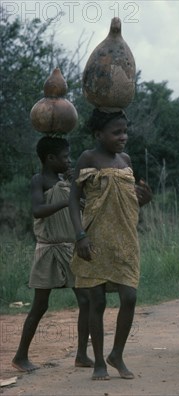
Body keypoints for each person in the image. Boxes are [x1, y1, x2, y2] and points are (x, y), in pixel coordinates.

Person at [69, 109, 152, 380]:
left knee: (130, 296)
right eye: (117, 132)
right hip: (94, 239)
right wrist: (80, 235)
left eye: (125, 131)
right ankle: (98, 364)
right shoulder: (87, 158)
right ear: (98, 134)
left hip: (125, 239)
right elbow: (73, 200)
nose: (123, 137)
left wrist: (144, 198)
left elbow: (126, 199)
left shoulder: (125, 160)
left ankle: (116, 354)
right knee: (98, 302)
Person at [11, 136, 93, 373]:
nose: (69, 161)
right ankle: (20, 356)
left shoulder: (65, 181)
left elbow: (83, 207)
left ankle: (81, 355)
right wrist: (67, 200)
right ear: (50, 158)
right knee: (40, 305)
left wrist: (74, 188)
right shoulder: (39, 180)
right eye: (65, 157)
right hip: (48, 249)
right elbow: (38, 210)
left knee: (86, 300)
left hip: (71, 248)